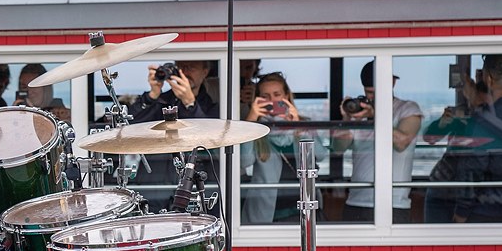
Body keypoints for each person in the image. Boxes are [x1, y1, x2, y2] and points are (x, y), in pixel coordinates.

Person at [331, 60, 423, 223]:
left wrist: (375, 116)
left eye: (377, 91)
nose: (373, 97)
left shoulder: (407, 109)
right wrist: (346, 119)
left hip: (393, 203)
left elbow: (401, 143)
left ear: (392, 83)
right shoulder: (360, 113)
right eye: (369, 92)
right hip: (356, 201)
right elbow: (338, 148)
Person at [125, 59, 218, 212]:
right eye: (181, 68)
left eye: (191, 67)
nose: (185, 72)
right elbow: (130, 125)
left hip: (193, 181)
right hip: (154, 180)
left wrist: (189, 102)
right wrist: (153, 95)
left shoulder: (212, 104)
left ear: (205, 72)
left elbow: (210, 137)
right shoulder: (160, 100)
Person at [239, 72, 325, 223]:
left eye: (277, 94)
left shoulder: (304, 123)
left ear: (286, 96)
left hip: (302, 211)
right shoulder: (257, 128)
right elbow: (244, 162)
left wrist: (298, 126)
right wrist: (251, 121)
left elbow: (321, 155)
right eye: (265, 96)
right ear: (257, 100)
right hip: (265, 213)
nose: (272, 101)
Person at [422, 73, 492, 223]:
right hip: (442, 186)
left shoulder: (492, 119)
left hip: (471, 191)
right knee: (433, 238)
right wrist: (442, 123)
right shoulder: (462, 112)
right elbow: (429, 138)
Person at [451, 54, 502, 223]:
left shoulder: (482, 122)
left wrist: (461, 212)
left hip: (488, 212)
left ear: (489, 79)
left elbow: (472, 170)